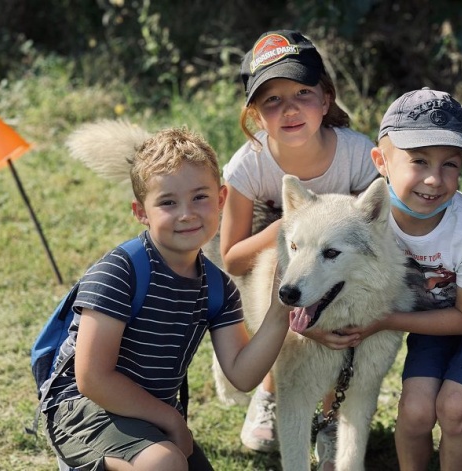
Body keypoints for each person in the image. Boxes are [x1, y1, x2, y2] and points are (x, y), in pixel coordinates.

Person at [41, 127, 290, 471]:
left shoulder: (218, 288)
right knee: (164, 462)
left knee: (168, 461)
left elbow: (242, 375)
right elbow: (92, 379)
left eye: (199, 197)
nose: (187, 213)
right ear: (141, 211)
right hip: (84, 409)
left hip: (149, 414)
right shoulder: (119, 271)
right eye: (168, 202)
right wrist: (171, 420)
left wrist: (280, 312)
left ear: (221, 199)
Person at [341, 87, 462, 470]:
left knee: (455, 408)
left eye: (450, 164)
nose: (434, 179)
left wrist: (386, 321)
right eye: (419, 161)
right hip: (435, 309)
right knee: (414, 412)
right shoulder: (366, 216)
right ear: (381, 161)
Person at [220, 29, 379, 469]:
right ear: (254, 113)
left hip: (334, 255)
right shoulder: (247, 164)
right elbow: (232, 256)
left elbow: (376, 234)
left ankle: (331, 409)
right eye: (271, 100)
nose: (289, 109)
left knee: (338, 302)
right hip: (270, 246)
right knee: (278, 290)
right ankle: (271, 389)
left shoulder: (357, 154)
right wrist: (289, 226)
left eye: (302, 93)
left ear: (325, 99)